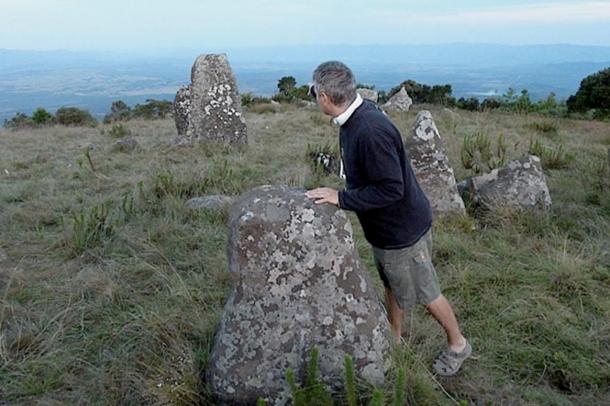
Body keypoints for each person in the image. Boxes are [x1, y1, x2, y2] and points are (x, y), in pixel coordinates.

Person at [305, 61, 471, 376]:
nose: (313, 97)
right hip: (387, 230)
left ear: (326, 96)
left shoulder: (368, 130)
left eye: (314, 91)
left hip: (402, 231)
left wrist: (340, 198)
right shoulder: (356, 116)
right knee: (392, 284)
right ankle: (393, 339)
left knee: (426, 292)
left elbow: (391, 189)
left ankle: (458, 344)